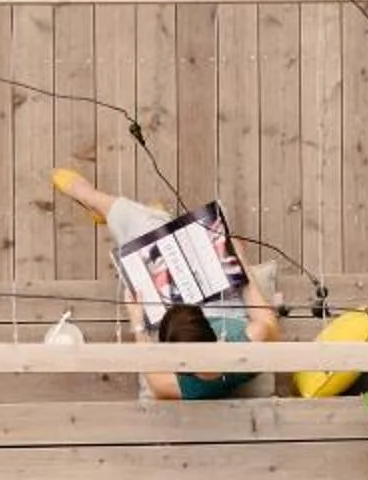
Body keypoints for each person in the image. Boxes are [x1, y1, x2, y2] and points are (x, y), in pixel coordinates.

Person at [50, 168, 281, 401]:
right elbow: (267, 320)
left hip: (174, 301)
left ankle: (90, 197)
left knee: (148, 229)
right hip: (222, 304)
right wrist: (239, 261)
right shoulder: (250, 338)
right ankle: (153, 217)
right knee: (199, 231)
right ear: (210, 331)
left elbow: (153, 376)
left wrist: (138, 321)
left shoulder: (174, 385)